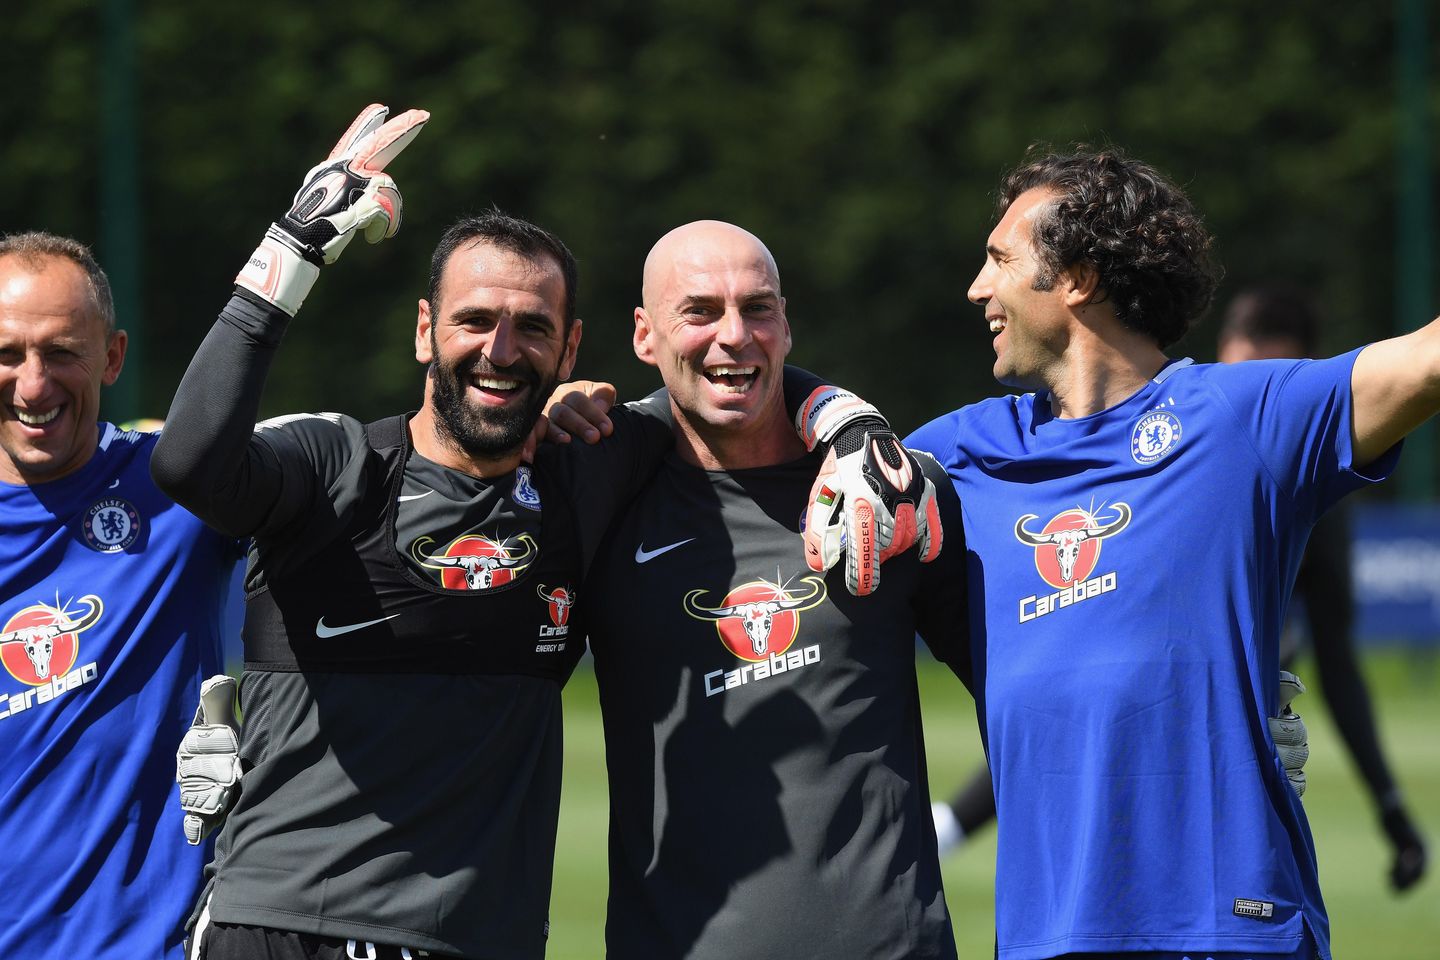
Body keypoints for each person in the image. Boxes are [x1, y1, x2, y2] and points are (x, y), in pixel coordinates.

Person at [154, 108, 920, 960]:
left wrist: (851, 422)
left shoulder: (586, 470)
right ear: (423, 331)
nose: (500, 351)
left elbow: (727, 373)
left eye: (533, 330)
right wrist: (291, 252)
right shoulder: (334, 465)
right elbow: (189, 464)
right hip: (283, 927)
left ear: (571, 347)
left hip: (479, 940)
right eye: (474, 320)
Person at [906, 147, 1440, 960]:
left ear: (1077, 277)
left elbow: (1428, 363)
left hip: (1231, 931)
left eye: (1000, 261)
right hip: (1044, 941)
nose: (979, 288)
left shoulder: (1244, 418)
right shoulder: (959, 456)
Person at [576, 220, 969, 958]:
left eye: (758, 308)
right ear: (644, 335)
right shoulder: (596, 492)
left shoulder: (889, 493)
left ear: (786, 324)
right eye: (699, 311)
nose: (735, 335)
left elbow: (1017, 692)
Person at [0, 232, 236, 959]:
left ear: (112, 356)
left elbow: (381, 465)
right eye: (8, 353)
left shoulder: (175, 491)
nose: (33, 384)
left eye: (61, 352)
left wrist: (536, 421)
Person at [1218, 284, 1428, 893]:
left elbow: (1336, 659)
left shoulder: (1311, 492)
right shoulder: (1153, 439)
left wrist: (1389, 803)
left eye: (1272, 377)